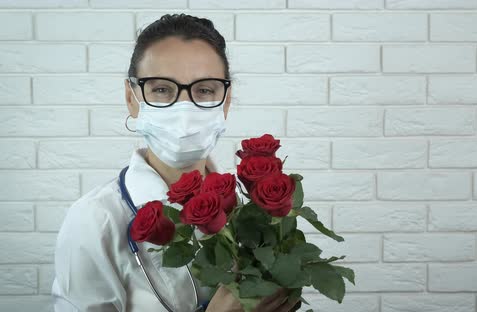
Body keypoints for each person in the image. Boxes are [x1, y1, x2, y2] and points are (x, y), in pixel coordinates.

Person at [52, 13, 300, 312]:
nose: (184, 109)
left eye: (205, 90)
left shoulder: (253, 210)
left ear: (227, 100)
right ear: (132, 98)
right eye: (161, 89)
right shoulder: (94, 220)